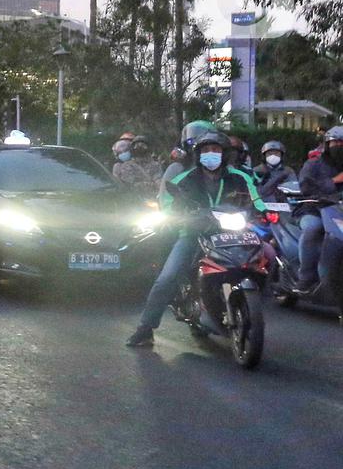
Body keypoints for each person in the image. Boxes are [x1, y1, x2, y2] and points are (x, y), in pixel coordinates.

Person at [126, 126, 267, 347]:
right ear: (199, 154)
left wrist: (265, 211)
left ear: (224, 153)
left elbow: (256, 199)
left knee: (264, 258)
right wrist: (179, 217)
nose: (211, 153)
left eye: (216, 149)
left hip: (231, 234)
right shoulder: (184, 179)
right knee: (168, 277)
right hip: (193, 234)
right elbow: (170, 205)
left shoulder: (240, 177)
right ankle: (145, 328)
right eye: (206, 149)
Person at [294, 126, 343, 293]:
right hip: (314, 209)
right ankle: (306, 278)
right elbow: (305, 187)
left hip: (339, 212)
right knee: (313, 229)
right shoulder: (314, 164)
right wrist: (334, 181)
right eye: (335, 142)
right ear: (327, 144)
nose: (338, 146)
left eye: (342, 143)